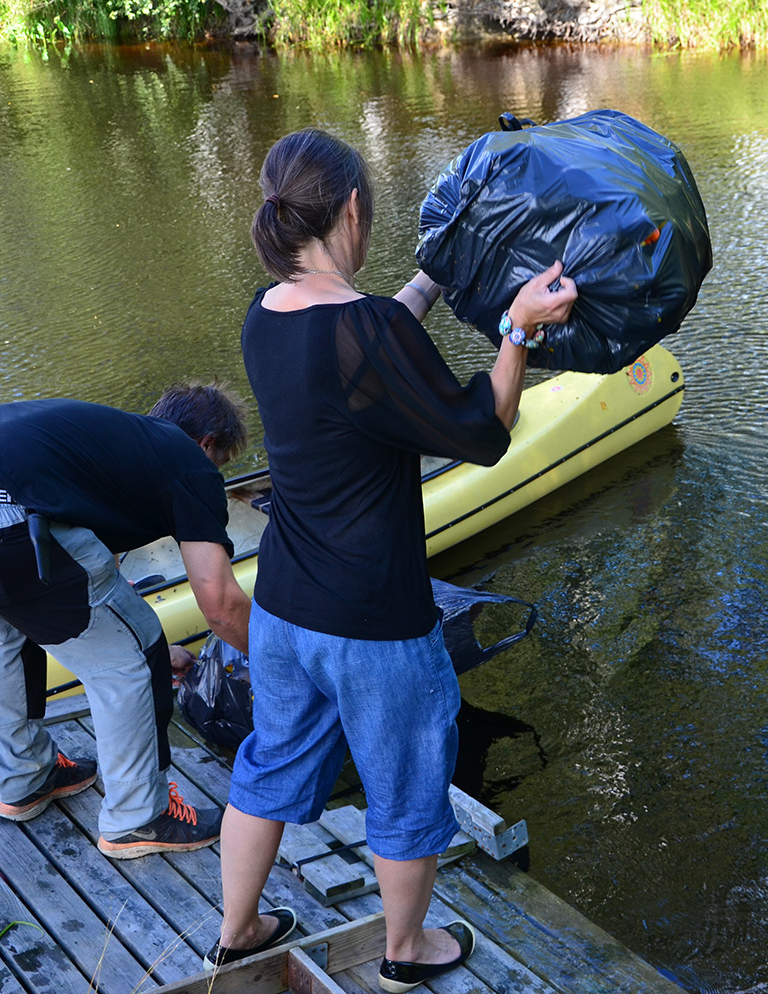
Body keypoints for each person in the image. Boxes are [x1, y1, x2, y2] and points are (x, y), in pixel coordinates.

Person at [208, 128, 576, 989]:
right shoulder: (366, 329)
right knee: (407, 785)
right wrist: (518, 330)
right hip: (374, 619)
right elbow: (483, 431)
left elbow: (364, 342)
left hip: (284, 607)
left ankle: (237, 931)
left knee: (270, 763)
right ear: (352, 209)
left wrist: (432, 279)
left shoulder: (265, 313)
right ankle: (406, 951)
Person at [0, 382, 252, 859]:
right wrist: (271, 661)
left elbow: (95, 568)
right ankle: (139, 818)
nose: (214, 473)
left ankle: (27, 777)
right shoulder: (187, 460)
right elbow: (220, 605)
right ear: (207, 443)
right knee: (136, 655)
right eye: (220, 463)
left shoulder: (106, 439)